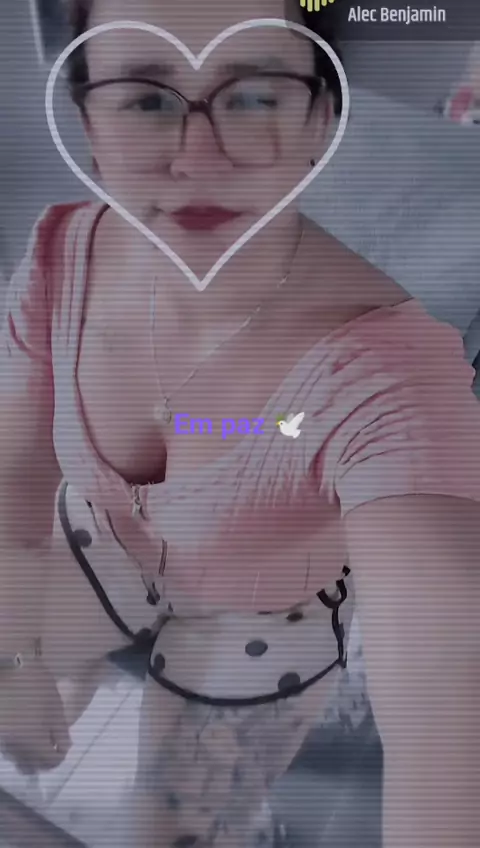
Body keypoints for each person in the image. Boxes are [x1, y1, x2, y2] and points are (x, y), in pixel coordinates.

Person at [1, 0, 480, 845]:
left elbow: (443, 718)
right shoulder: (59, 255)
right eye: (146, 97)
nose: (198, 156)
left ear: (321, 119)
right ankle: (80, 670)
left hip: (264, 614)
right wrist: (16, 664)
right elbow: (13, 483)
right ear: (87, 123)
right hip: (99, 538)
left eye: (253, 94)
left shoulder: (392, 373)